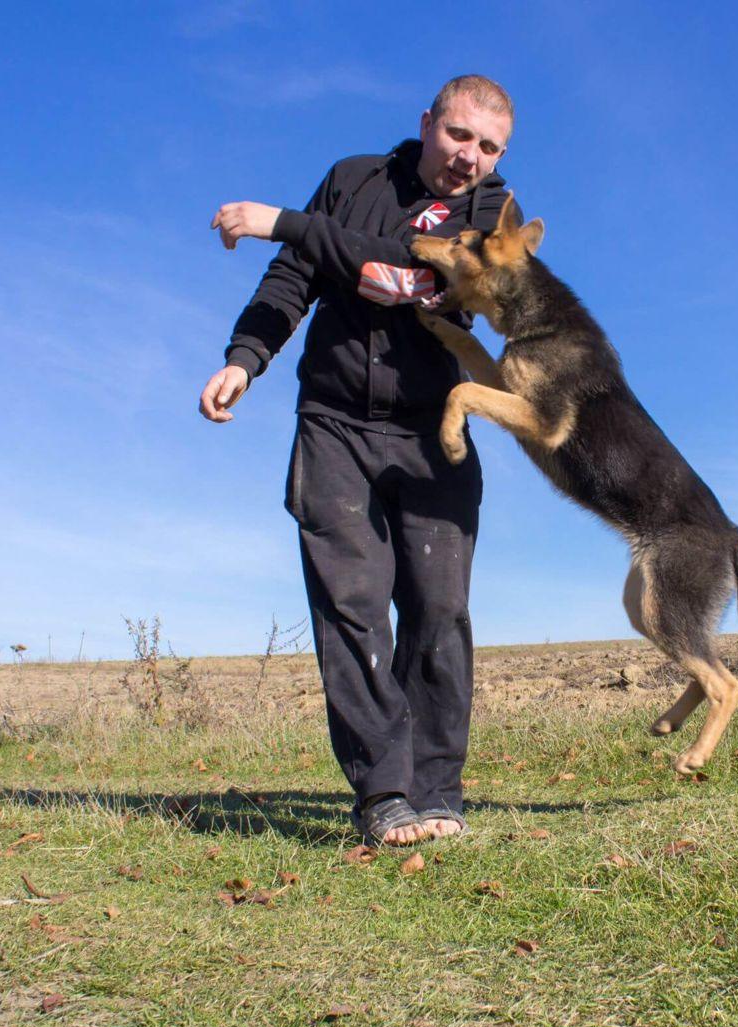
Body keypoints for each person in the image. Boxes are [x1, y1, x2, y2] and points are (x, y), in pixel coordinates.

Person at [200, 75, 518, 846]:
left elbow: (402, 271)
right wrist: (247, 356)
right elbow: (295, 278)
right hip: (334, 422)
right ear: (427, 124)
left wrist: (289, 223)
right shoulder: (352, 180)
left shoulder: (491, 215)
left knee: (439, 609)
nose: (470, 156)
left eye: (489, 146)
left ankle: (438, 789)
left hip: (431, 431)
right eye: (459, 136)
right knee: (352, 607)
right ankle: (383, 793)